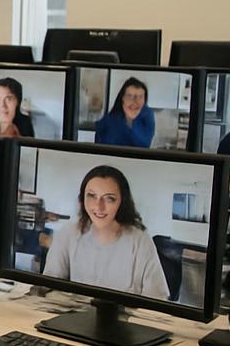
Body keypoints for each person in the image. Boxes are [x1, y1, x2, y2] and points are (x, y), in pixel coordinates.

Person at [43, 165, 170, 299]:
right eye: (92, 196)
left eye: (109, 198)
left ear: (122, 201)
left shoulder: (140, 241)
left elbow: (157, 298)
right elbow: (48, 288)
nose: (99, 206)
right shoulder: (68, 233)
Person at [93, 77, 155, 148]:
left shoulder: (148, 115)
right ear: (123, 98)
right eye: (130, 96)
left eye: (140, 97)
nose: (135, 102)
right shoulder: (109, 121)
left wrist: (131, 120)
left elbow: (145, 144)